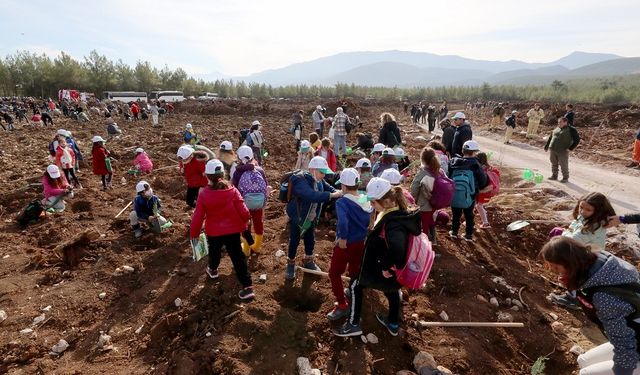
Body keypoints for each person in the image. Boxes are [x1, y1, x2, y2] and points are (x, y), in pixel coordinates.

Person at [333, 178, 421, 337]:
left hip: (379, 267)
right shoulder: (399, 214)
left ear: (386, 201)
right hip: (393, 269)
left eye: (373, 203)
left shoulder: (393, 224)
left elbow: (397, 248)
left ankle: (353, 324)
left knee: (355, 285)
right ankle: (393, 323)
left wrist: (385, 266)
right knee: (392, 290)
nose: (372, 206)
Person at [540, 236, 640, 375]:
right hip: (631, 333)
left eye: (556, 268)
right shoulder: (600, 262)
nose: (554, 273)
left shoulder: (603, 296)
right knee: (583, 361)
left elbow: (623, 341)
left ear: (571, 263)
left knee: (587, 373)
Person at [190, 160, 255, 300]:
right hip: (233, 231)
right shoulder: (232, 190)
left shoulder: (204, 195)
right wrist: (246, 221)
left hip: (214, 232)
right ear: (223, 174)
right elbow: (243, 211)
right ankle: (248, 286)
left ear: (207, 176)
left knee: (215, 252)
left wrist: (194, 234)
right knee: (237, 257)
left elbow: (198, 217)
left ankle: (213, 270)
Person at [327, 168, 373, 320]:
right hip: (360, 241)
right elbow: (369, 215)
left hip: (346, 243)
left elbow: (343, 223)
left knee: (334, 273)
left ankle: (342, 305)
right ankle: (354, 290)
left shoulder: (342, 203)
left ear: (344, 186)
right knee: (354, 268)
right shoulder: (363, 198)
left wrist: (343, 239)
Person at [285, 156, 341, 279]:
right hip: (298, 216)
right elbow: (312, 195)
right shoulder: (300, 181)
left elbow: (329, 188)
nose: (323, 175)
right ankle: (290, 263)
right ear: (312, 169)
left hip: (311, 216)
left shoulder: (319, 180)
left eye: (325, 173)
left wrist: (340, 192)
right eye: (322, 172)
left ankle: (308, 259)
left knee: (310, 239)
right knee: (294, 240)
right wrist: (332, 195)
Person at [231, 146, 268, 257]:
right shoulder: (259, 170)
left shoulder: (237, 172)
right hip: (258, 203)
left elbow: (235, 188)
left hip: (243, 203)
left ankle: (246, 250)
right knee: (258, 222)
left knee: (245, 226)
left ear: (239, 158)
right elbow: (265, 185)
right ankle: (256, 246)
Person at [448, 140, 488, 242]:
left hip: (455, 193)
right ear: (474, 152)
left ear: (462, 150)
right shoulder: (475, 164)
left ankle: (454, 232)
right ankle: (468, 235)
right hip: (470, 194)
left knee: (456, 214)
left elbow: (448, 177)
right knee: (469, 214)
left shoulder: (453, 162)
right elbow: (483, 181)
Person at [411, 147, 443, 242]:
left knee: (424, 225)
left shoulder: (423, 173)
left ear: (423, 159)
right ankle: (433, 240)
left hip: (424, 204)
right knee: (430, 221)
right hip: (435, 203)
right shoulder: (438, 171)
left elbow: (414, 188)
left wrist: (415, 199)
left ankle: (425, 247)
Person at [544, 117, 574, 183]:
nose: (558, 123)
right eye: (558, 122)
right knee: (554, 163)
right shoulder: (557, 128)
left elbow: (575, 139)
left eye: (560, 122)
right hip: (553, 148)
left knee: (563, 164)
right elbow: (551, 137)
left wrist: (570, 148)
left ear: (565, 122)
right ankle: (554, 175)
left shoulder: (570, 130)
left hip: (562, 150)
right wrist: (547, 145)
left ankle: (565, 177)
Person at [475, 152, 500, 229]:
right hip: (489, 191)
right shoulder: (491, 168)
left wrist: (480, 191)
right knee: (478, 205)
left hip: (484, 191)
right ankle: (483, 215)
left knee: (478, 206)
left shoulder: (481, 169)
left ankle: (485, 223)